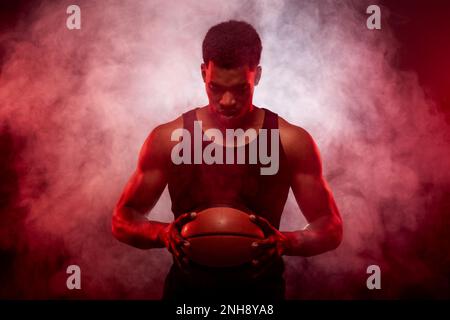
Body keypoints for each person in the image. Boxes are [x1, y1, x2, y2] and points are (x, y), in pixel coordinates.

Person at [112, 20, 342, 301]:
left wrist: (287, 241)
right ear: (202, 73)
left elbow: (330, 226)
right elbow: (122, 219)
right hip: (186, 297)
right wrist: (163, 234)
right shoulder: (169, 138)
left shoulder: (290, 141)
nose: (227, 101)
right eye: (215, 87)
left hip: (261, 298)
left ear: (256, 76)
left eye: (240, 89)